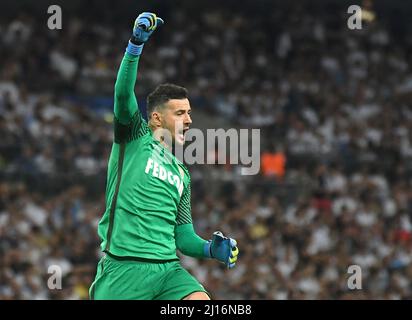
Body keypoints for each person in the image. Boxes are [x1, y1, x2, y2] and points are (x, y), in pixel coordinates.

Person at [89, 12, 239, 300]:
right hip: (124, 271)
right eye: (180, 113)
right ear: (156, 118)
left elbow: (182, 237)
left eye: (190, 113)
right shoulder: (133, 137)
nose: (189, 119)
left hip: (168, 272)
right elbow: (122, 95)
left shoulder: (182, 173)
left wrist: (210, 248)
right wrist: (135, 46)